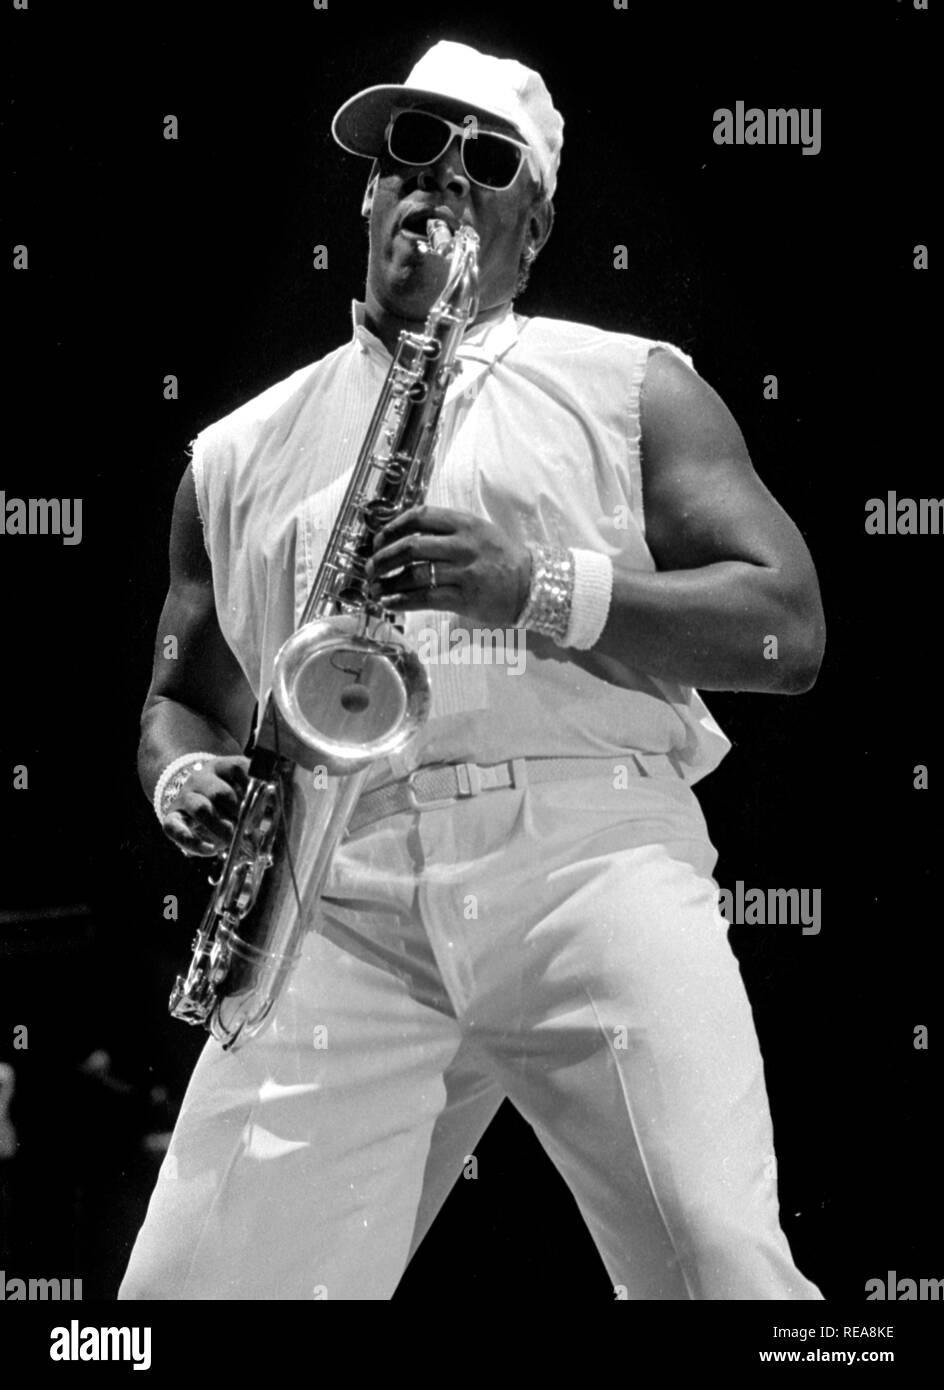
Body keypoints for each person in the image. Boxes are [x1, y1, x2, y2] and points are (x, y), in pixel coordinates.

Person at [119, 40, 826, 1300]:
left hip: (585, 862)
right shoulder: (232, 454)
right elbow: (181, 699)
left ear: (533, 223)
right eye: (412, 149)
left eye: (484, 161)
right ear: (367, 192)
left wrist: (539, 588)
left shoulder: (631, 386)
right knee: (189, 1299)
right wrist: (184, 781)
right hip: (333, 887)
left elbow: (787, 628)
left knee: (716, 1267)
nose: (441, 179)